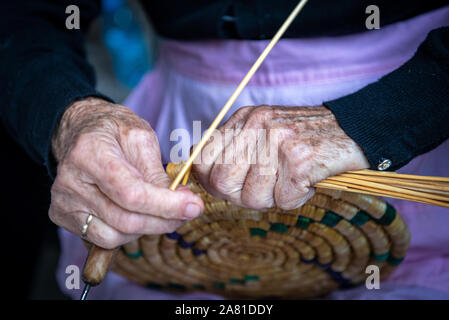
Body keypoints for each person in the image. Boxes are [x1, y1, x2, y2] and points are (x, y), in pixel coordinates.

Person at [0, 0, 448, 299]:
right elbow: (23, 14)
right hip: (179, 121)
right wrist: (70, 117)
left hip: (415, 123)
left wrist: (371, 121)